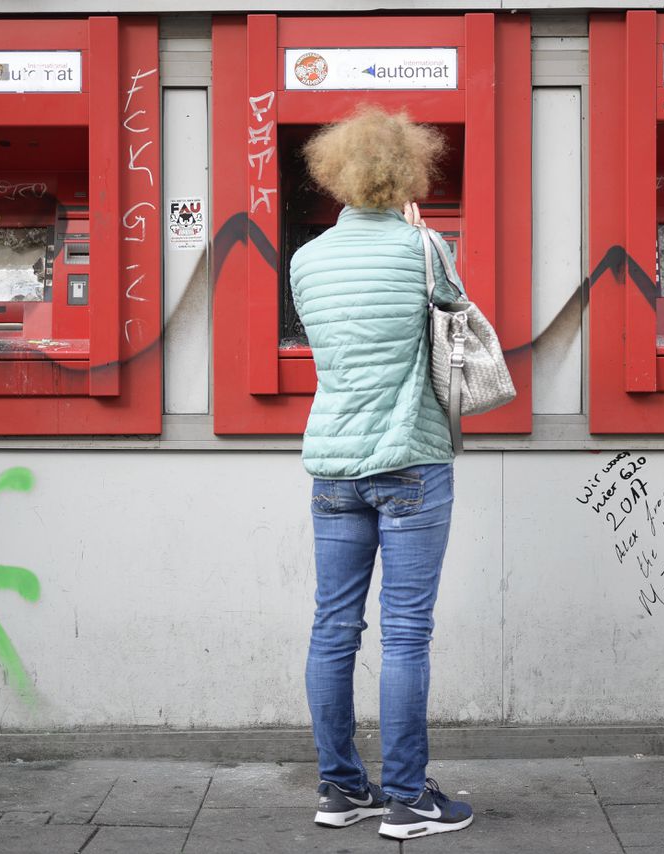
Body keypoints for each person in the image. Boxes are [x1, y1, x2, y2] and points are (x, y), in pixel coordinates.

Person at [289, 106, 474, 840]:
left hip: (333, 467)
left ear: (332, 174)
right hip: (412, 463)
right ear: (409, 172)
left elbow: (338, 348)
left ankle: (340, 789)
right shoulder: (426, 249)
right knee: (404, 635)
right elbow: (456, 330)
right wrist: (417, 233)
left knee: (334, 628)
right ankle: (406, 798)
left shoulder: (307, 260)